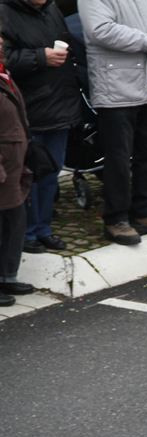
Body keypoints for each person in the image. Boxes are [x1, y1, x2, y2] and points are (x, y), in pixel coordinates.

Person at [78, 0, 147, 245]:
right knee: (118, 156)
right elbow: (101, 29)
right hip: (117, 84)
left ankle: (146, 210)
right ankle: (116, 218)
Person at [0, 0, 80, 253]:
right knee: (25, 176)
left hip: (60, 103)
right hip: (28, 108)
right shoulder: (5, 13)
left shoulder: (51, 9)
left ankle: (43, 228)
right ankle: (25, 233)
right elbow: (5, 59)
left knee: (50, 172)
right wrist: (40, 57)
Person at [0, 26, 34, 306]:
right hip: (2, 167)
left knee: (14, 220)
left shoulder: (3, 75)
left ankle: (7, 276)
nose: (1, 42)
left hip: (13, 164)